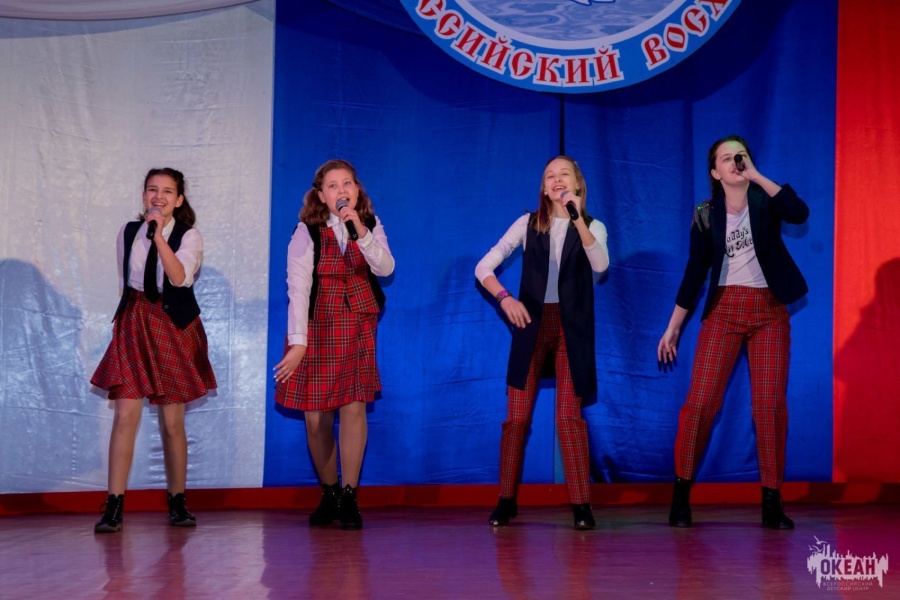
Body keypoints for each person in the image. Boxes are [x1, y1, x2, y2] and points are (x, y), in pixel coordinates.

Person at [658, 135, 809, 530]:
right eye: (726, 158)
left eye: (740, 156)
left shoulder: (765, 199)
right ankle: (681, 494)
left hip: (769, 310)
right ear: (715, 172)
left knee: (769, 407)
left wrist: (757, 176)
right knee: (701, 404)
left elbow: (798, 212)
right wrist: (673, 327)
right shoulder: (705, 213)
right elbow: (695, 272)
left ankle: (772, 500)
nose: (735, 162)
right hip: (724, 310)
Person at [475, 155, 610, 530]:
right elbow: (483, 267)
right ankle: (506, 499)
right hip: (531, 326)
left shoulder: (593, 226)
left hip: (571, 330)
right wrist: (505, 299)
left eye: (564, 174)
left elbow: (600, 265)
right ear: (543, 188)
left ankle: (581, 505)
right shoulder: (527, 224)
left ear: (578, 184)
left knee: (569, 417)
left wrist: (577, 217)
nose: (556, 179)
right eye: (550, 175)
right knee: (516, 418)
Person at [91, 167, 216, 533]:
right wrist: (126, 321)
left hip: (172, 324)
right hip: (135, 320)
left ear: (179, 199)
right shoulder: (128, 231)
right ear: (144, 195)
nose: (158, 197)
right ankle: (114, 505)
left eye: (167, 191)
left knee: (172, 421)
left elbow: (178, 278)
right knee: (125, 414)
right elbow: (127, 283)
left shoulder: (189, 235)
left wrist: (159, 236)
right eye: (152, 190)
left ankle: (177, 502)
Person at [274, 159, 394, 530]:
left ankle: (350, 495)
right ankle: (329, 492)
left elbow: (386, 268)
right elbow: (298, 288)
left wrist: (360, 230)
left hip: (357, 323)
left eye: (347, 184)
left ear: (356, 190)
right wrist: (298, 343)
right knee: (316, 418)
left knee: (354, 408)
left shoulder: (369, 224)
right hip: (317, 326)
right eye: (332, 186)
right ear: (321, 195)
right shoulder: (306, 231)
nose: (341, 191)